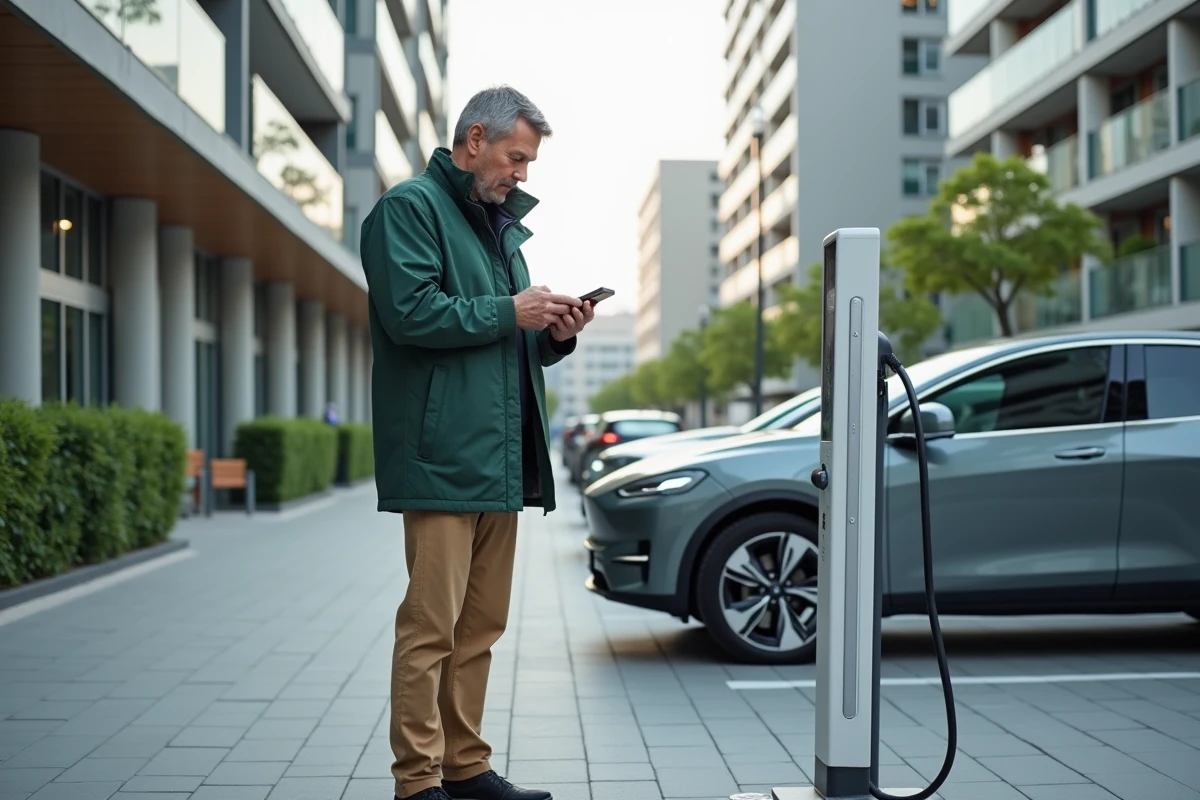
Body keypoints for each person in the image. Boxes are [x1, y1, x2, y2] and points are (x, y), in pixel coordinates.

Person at [359, 86, 594, 800]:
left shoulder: (498, 229)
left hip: (498, 463)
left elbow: (499, 341)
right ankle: (417, 780)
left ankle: (465, 767)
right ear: (472, 141)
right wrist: (508, 309)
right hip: (439, 457)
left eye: (527, 162)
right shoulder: (408, 210)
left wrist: (554, 334)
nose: (522, 174)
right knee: (430, 627)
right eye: (515, 157)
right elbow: (410, 314)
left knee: (479, 629)